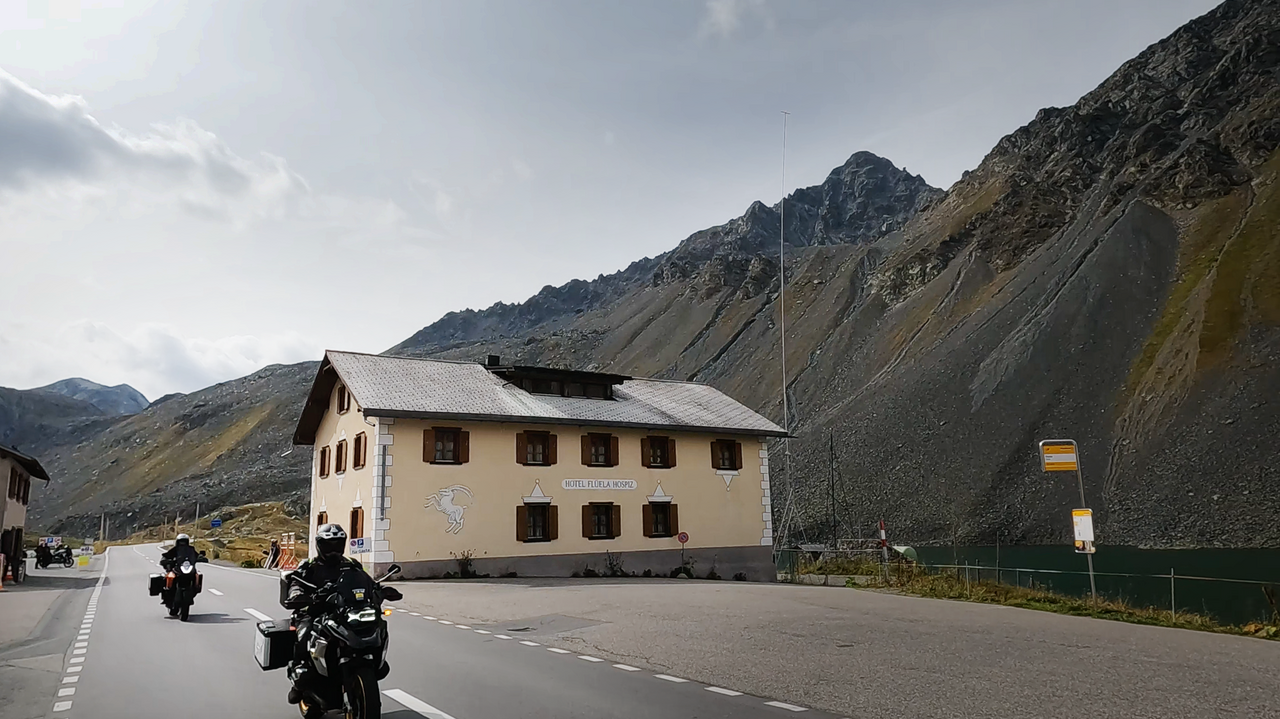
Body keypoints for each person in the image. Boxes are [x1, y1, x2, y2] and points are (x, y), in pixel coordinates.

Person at [281, 523, 400, 705]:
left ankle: (373, 662)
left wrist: (381, 590)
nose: (333, 550)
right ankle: (298, 681)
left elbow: (367, 581)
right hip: (315, 611)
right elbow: (296, 583)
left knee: (376, 624)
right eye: (328, 545)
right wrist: (298, 594)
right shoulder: (309, 566)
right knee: (304, 634)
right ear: (320, 545)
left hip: (345, 612)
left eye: (337, 545)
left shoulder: (351, 564)